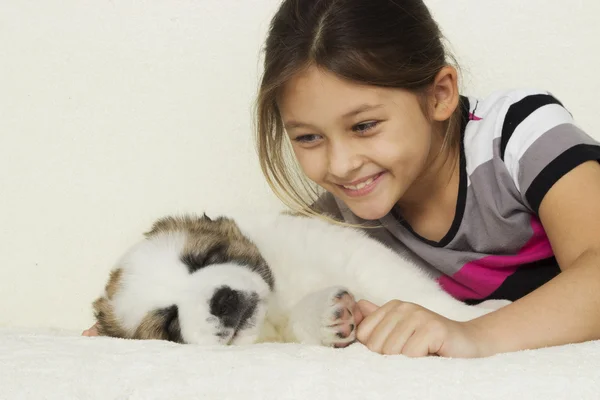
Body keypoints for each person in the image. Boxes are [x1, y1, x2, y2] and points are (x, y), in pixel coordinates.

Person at [86, 0, 600, 358]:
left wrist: (475, 337)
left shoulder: (519, 134)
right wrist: (123, 327)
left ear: (440, 94)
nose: (341, 164)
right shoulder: (350, 210)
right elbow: (271, 263)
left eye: (364, 126)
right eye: (309, 138)